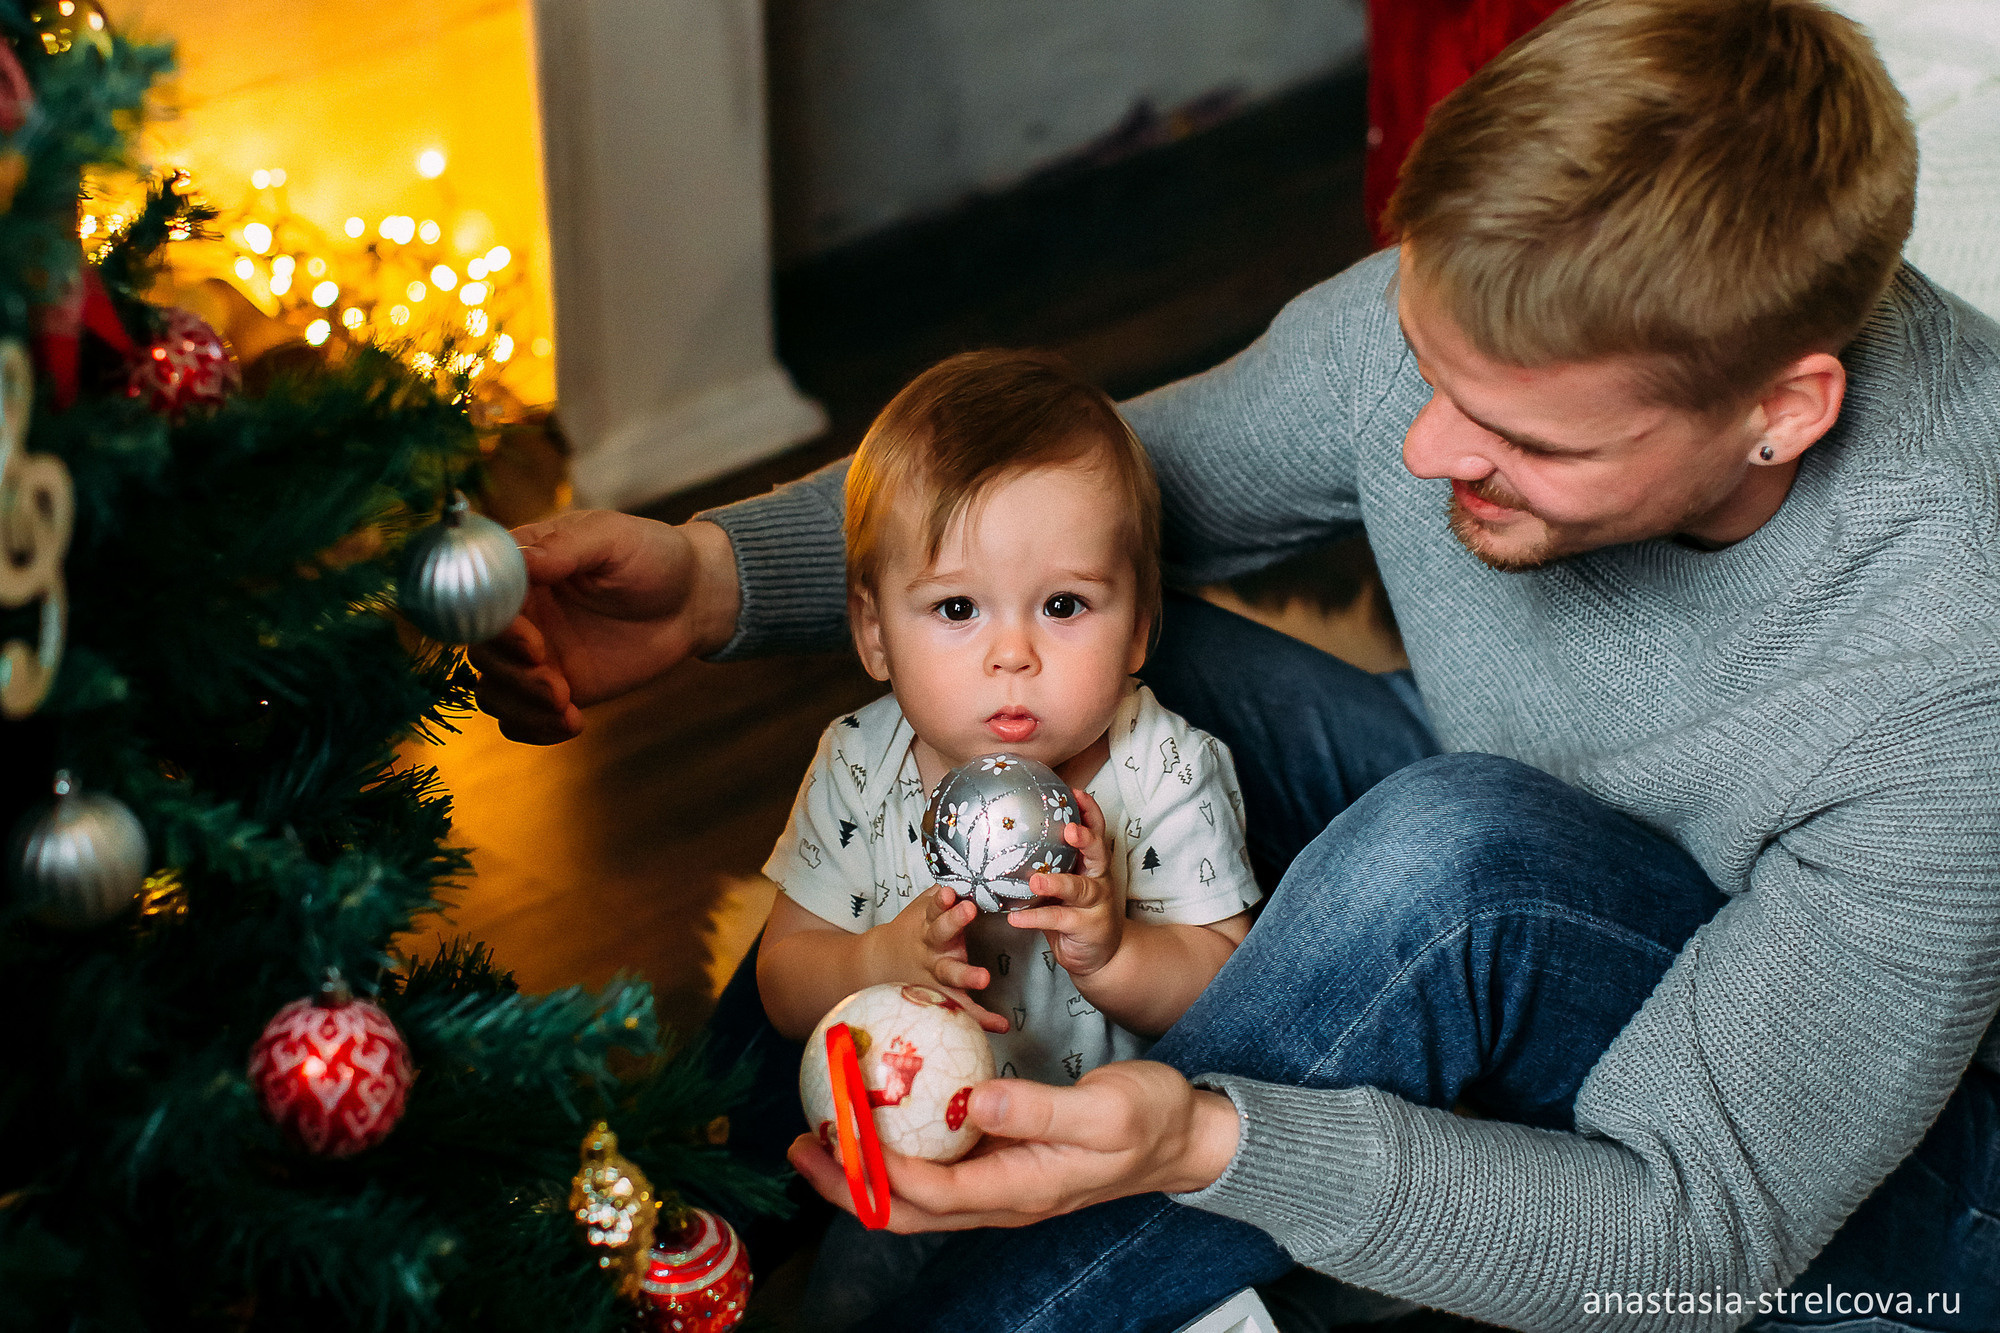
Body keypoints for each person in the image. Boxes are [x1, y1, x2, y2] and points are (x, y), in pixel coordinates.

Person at [471, 1, 2000, 1329]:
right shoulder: (1498, 308)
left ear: (1784, 413)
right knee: (1052, 643)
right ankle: (653, 1240)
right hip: (1516, 841)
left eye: (1525, 440)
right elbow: (1098, 490)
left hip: (1858, 1205)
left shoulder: (1955, 670)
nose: (1420, 450)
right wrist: (713, 582)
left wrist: (1204, 1138)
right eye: (1424, 361)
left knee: (1449, 855)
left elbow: (1696, 1242)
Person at [757, 349, 1261, 1328]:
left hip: (1111, 1168)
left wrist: (1113, 949)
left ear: (1139, 625)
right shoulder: (860, 763)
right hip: (913, 1157)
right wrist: (872, 958)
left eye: (1064, 605)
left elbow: (1223, 987)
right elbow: (783, 978)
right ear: (872, 632)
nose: (1011, 653)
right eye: (955, 608)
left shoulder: (1162, 768)